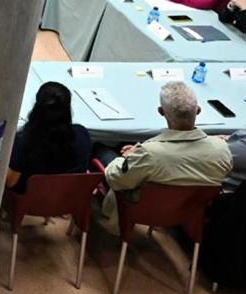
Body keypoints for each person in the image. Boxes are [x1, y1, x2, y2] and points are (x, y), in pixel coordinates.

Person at [99, 82, 232, 230]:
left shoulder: (151, 153)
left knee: (100, 149)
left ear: (161, 111)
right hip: (189, 211)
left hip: (143, 209)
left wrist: (127, 158)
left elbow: (117, 180)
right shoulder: (222, 150)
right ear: (198, 110)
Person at [5, 82, 92, 193]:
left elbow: (10, 182)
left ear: (36, 109)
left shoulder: (24, 141)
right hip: (69, 199)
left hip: (30, 202)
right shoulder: (82, 134)